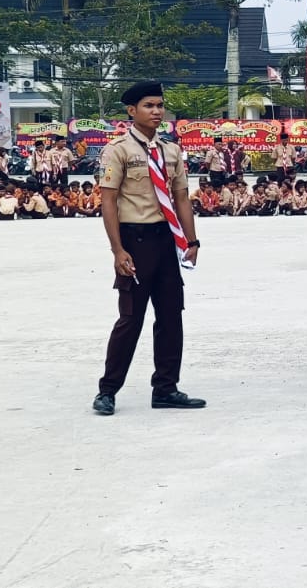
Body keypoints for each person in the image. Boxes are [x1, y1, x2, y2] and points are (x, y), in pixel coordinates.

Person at [92, 80, 204, 416]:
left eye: (159, 105)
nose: (157, 111)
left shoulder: (170, 150)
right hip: (134, 241)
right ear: (132, 111)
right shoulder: (118, 150)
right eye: (149, 106)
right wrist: (117, 250)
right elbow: (108, 201)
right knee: (130, 318)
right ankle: (107, 391)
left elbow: (181, 197)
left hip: (165, 240)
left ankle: (166, 388)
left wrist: (191, 240)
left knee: (171, 316)